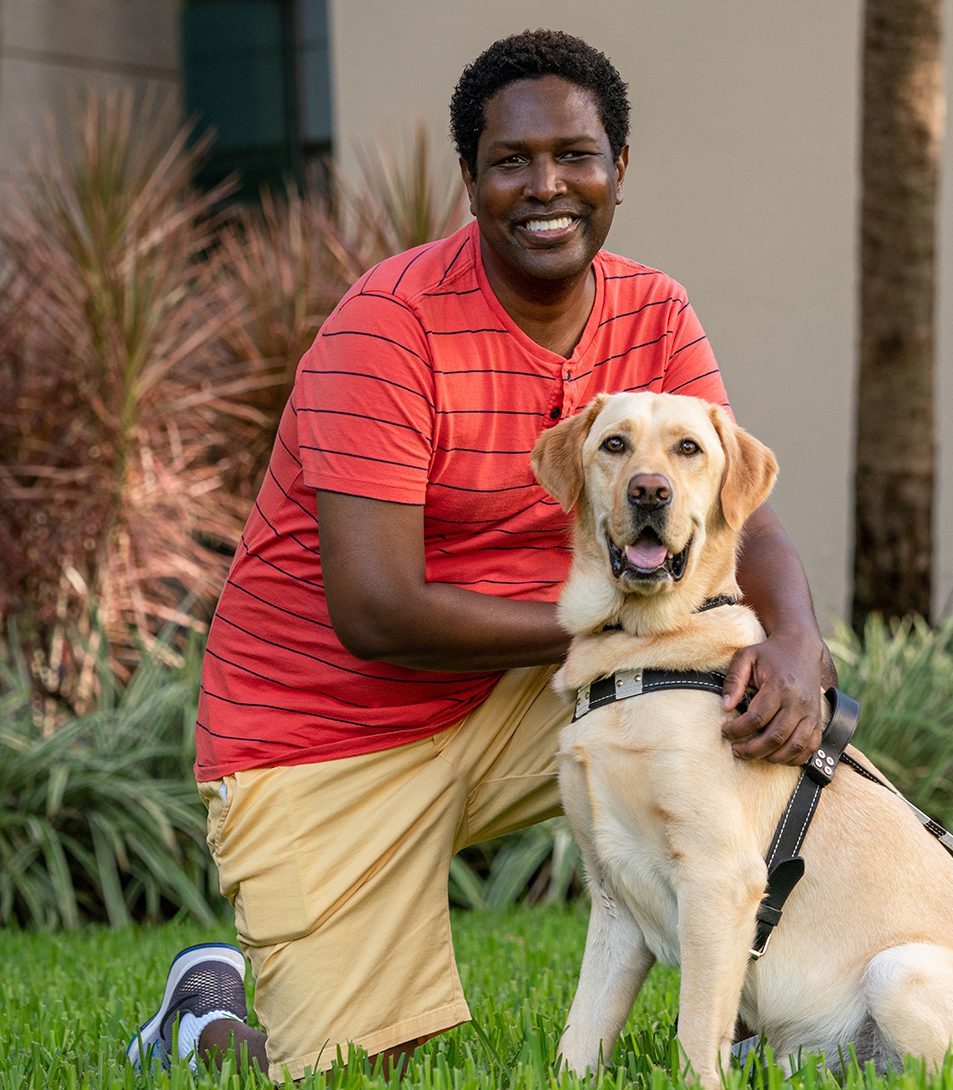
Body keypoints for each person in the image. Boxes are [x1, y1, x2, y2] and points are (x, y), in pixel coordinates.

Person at [127, 28, 836, 1082]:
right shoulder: (387, 327)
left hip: (527, 684)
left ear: (617, 171)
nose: (546, 185)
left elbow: (739, 507)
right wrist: (620, 621)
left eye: (574, 156)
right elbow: (377, 610)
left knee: (745, 707)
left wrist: (792, 642)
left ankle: (765, 995)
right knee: (354, 1064)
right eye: (511, 161)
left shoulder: (653, 310)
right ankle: (204, 1004)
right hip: (326, 731)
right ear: (470, 180)